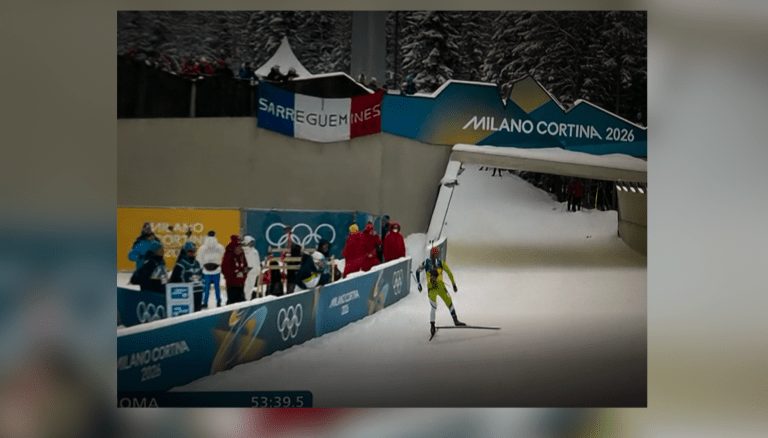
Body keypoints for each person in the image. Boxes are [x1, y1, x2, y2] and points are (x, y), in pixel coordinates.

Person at [416, 246, 465, 338]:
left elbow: (417, 271)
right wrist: (453, 284)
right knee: (448, 303)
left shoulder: (426, 262)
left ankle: (432, 326)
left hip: (431, 288)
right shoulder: (440, 262)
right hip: (440, 287)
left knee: (434, 307)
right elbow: (449, 273)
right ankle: (455, 320)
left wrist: (419, 284)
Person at [169, 241, 204, 312]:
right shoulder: (180, 264)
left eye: (194, 251)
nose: (192, 253)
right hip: (187, 295)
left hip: (198, 293)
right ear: (185, 252)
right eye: (190, 251)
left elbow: (201, 277)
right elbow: (174, 280)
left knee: (197, 314)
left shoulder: (197, 263)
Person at [198, 230, 225, 308]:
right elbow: (224, 256)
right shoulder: (219, 247)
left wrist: (201, 267)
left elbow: (199, 259)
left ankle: (205, 302)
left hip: (206, 271)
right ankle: (218, 301)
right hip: (216, 270)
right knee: (217, 288)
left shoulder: (203, 248)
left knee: (206, 288)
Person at [222, 235, 248, 304]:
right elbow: (225, 268)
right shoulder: (230, 253)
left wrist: (244, 273)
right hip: (234, 283)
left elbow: (245, 265)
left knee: (237, 301)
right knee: (235, 301)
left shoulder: (240, 254)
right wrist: (236, 272)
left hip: (238, 283)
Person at [241, 235, 261, 300]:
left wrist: (258, 270)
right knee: (246, 288)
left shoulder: (254, 251)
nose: (251, 244)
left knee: (250, 288)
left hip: (254, 273)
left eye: (252, 242)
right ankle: (246, 300)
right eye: (250, 242)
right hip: (247, 272)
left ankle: (248, 300)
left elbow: (257, 261)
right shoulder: (243, 251)